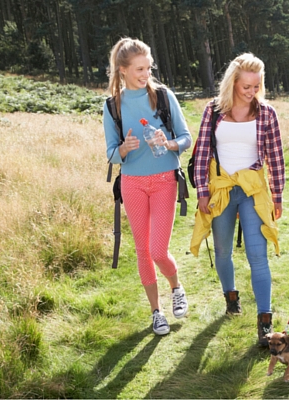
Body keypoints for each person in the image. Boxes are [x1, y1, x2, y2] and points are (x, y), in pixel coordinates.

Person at [190, 53, 285, 347]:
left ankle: (265, 324)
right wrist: (202, 192)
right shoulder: (214, 111)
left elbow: (276, 157)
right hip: (221, 189)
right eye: (246, 86)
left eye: (256, 86)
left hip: (253, 190)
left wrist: (277, 196)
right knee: (222, 250)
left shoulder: (266, 113)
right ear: (232, 83)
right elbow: (202, 151)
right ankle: (231, 297)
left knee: (258, 254)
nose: (252, 92)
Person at [103, 38, 192, 336]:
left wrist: (169, 143)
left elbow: (185, 138)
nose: (146, 73)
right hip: (132, 183)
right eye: (139, 69)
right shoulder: (112, 106)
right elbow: (111, 154)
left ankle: (176, 286)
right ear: (123, 70)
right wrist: (124, 149)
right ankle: (156, 312)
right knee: (142, 251)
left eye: (148, 67)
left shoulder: (164, 97)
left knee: (157, 250)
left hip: (165, 179)